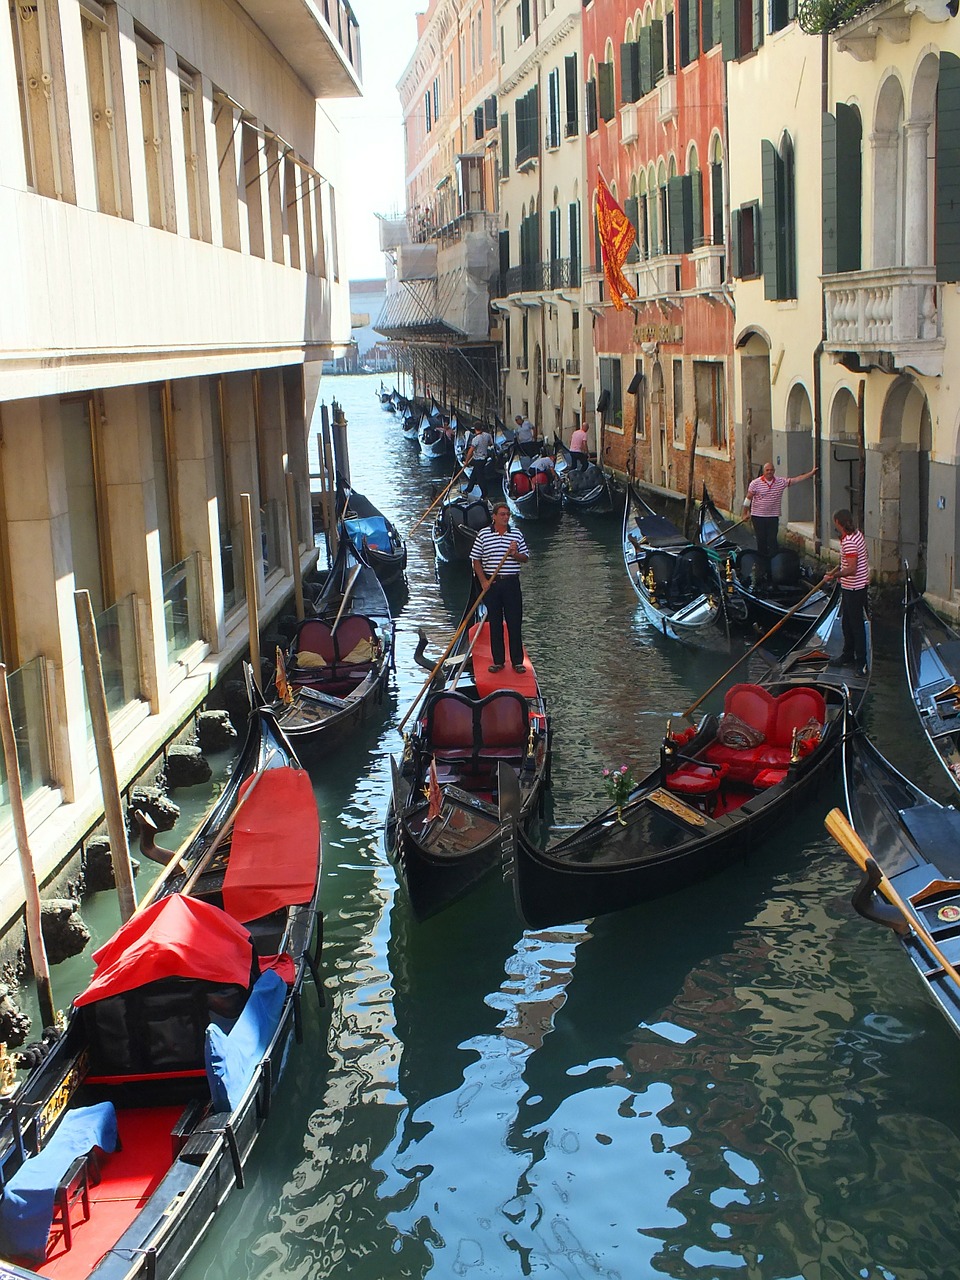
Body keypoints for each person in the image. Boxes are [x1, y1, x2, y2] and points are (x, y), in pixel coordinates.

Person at [471, 502, 530, 673]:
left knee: (514, 622)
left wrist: (514, 553)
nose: (505, 517)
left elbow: (525, 558)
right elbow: (476, 560)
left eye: (507, 515)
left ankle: (517, 662)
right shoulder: (483, 535)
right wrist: (483, 581)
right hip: (492, 584)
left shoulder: (516, 534)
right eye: (502, 514)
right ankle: (498, 662)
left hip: (511, 583)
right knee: (495, 623)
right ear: (494, 516)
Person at [824, 508, 869, 675]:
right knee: (847, 622)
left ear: (838, 523)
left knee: (856, 625)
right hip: (856, 586)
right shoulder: (857, 535)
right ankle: (848, 654)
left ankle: (861, 662)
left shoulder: (850, 541)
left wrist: (833, 575)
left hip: (854, 588)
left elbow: (851, 569)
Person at [742, 460, 817, 560]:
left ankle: (773, 561)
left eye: (771, 470)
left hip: (773, 516)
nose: (769, 472)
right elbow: (748, 499)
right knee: (761, 540)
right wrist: (744, 513)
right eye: (767, 470)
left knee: (772, 539)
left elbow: (796, 480)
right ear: (764, 471)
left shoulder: (780, 482)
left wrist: (811, 473)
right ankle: (762, 561)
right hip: (758, 516)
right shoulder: (755, 483)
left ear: (774, 471)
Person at [464, 426, 493, 497]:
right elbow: (490, 444)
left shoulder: (475, 439)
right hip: (484, 459)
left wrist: (466, 462)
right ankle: (468, 490)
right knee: (473, 475)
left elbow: (470, 451)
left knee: (480, 478)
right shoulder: (487, 435)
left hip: (478, 460)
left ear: (475, 429)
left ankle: (484, 494)